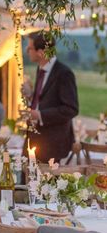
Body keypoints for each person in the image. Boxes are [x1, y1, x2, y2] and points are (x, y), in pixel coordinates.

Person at [24, 32, 79, 163]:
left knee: (47, 183)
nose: (27, 51)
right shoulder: (41, 69)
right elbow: (46, 100)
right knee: (27, 180)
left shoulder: (64, 73)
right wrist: (31, 95)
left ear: (41, 52)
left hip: (52, 144)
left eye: (30, 48)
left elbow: (71, 109)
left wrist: (40, 115)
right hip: (34, 139)